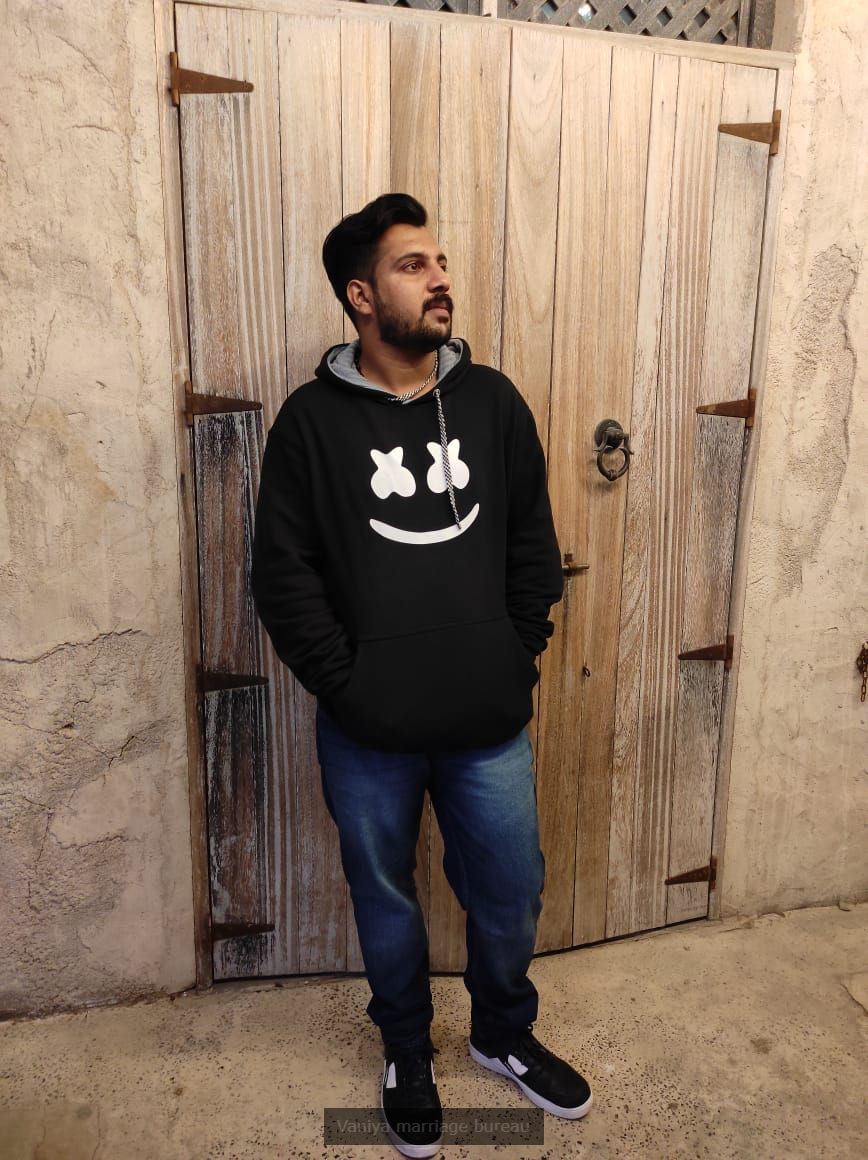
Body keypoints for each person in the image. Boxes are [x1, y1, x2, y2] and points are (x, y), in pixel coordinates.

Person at [251, 193, 593, 1158]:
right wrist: (348, 683)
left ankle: (502, 1033)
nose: (440, 278)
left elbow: (531, 544)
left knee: (511, 888)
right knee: (385, 896)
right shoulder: (310, 425)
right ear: (360, 296)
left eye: (439, 261)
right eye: (413, 265)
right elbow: (283, 576)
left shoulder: (493, 402)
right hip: (368, 730)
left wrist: (512, 651)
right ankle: (406, 1050)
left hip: (487, 717)